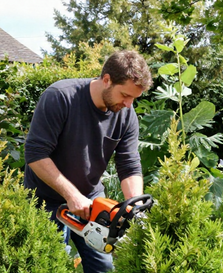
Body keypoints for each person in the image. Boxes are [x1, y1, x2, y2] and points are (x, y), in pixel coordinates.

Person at [24, 50, 152, 272]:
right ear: (106, 80)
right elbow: (36, 154)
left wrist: (135, 207)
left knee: (103, 267)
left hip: (92, 201)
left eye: (134, 98)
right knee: (52, 265)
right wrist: (72, 195)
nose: (129, 104)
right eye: (125, 95)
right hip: (44, 201)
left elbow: (129, 164)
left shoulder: (126, 115)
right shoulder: (60, 97)